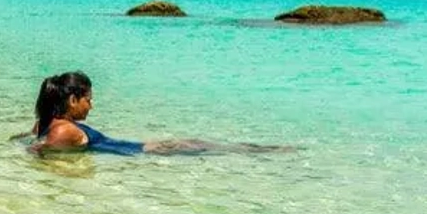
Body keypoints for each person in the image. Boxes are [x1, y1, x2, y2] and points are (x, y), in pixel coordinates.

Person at [31, 71, 293, 156]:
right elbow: (42, 148)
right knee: (205, 147)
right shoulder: (64, 130)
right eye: (88, 99)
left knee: (202, 144)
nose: (91, 106)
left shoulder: (44, 123)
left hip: (136, 149)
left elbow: (35, 140)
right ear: (73, 99)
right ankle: (268, 151)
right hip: (140, 152)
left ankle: (262, 150)